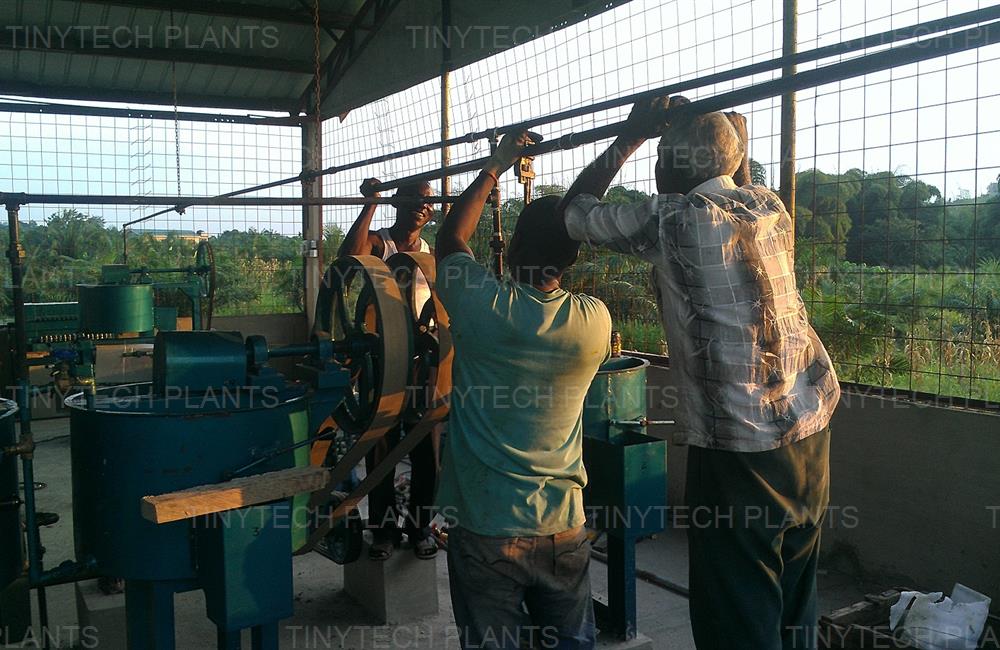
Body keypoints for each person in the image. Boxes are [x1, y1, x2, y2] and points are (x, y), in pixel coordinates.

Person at [557, 96, 841, 650]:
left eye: (660, 158)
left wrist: (631, 133)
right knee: (793, 591)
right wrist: (715, 129)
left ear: (669, 166)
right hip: (811, 425)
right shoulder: (769, 206)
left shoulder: (670, 219)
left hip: (739, 442)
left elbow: (574, 213)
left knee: (734, 602)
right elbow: (734, 165)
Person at [434, 130, 612, 650]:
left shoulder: (481, 306)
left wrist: (496, 165)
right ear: (573, 259)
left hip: (486, 528)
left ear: (510, 249)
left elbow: (450, 242)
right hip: (564, 528)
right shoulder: (593, 322)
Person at [338, 178, 439, 560]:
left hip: (421, 362)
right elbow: (349, 256)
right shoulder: (383, 244)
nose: (421, 206)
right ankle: (382, 532)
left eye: (428, 202)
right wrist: (371, 203)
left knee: (426, 448)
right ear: (398, 202)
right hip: (381, 360)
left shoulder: (429, 250)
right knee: (380, 445)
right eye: (414, 198)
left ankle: (420, 529)